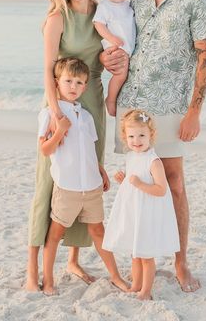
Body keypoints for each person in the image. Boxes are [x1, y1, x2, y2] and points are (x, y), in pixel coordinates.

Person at [101, 0, 206, 293]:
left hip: (171, 105)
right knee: (138, 184)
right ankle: (143, 258)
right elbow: (124, 45)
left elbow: (205, 57)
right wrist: (109, 60)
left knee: (175, 184)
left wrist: (194, 111)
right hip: (134, 104)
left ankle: (181, 262)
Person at [26, 0, 106, 291]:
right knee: (49, 182)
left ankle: (74, 260)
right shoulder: (57, 17)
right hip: (61, 102)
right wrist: (56, 110)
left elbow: (116, 49)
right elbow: (47, 68)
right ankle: (33, 271)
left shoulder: (104, 14)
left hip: (93, 102)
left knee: (86, 179)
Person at [38, 57, 128, 295]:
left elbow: (88, 149)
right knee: (55, 235)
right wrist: (59, 131)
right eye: (68, 81)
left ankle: (116, 277)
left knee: (99, 232)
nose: (73, 86)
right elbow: (45, 150)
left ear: (85, 86)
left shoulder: (86, 116)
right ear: (57, 83)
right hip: (66, 188)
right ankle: (48, 280)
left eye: (79, 82)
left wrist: (100, 170)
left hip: (91, 187)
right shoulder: (50, 114)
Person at [102, 109, 179, 300]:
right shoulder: (131, 157)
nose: (136, 140)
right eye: (131, 136)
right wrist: (125, 180)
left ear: (151, 135)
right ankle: (136, 285)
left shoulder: (154, 161)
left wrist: (139, 184)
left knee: (145, 255)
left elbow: (161, 189)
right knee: (135, 254)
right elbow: (133, 182)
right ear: (124, 137)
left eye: (142, 135)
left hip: (147, 213)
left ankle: (146, 291)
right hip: (134, 211)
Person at [93, 0, 136, 116]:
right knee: (120, 75)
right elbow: (98, 24)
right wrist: (112, 38)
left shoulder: (128, 6)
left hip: (126, 48)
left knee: (125, 76)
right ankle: (110, 100)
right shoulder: (105, 6)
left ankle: (117, 98)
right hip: (114, 47)